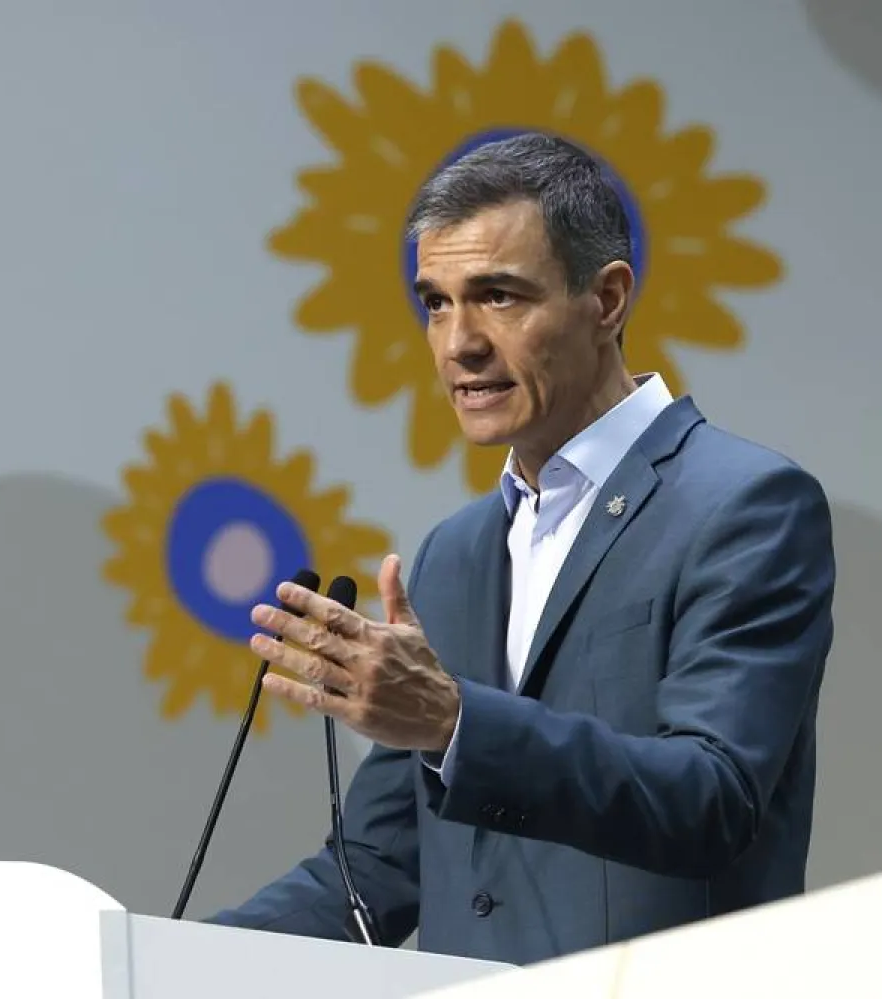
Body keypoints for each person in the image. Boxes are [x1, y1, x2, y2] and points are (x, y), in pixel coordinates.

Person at [206, 131, 836, 965]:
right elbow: (380, 869)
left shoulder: (744, 504)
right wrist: (138, 955)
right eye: (436, 302)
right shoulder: (453, 555)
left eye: (498, 296)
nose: (458, 342)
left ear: (607, 299)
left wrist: (458, 721)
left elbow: (713, 798)